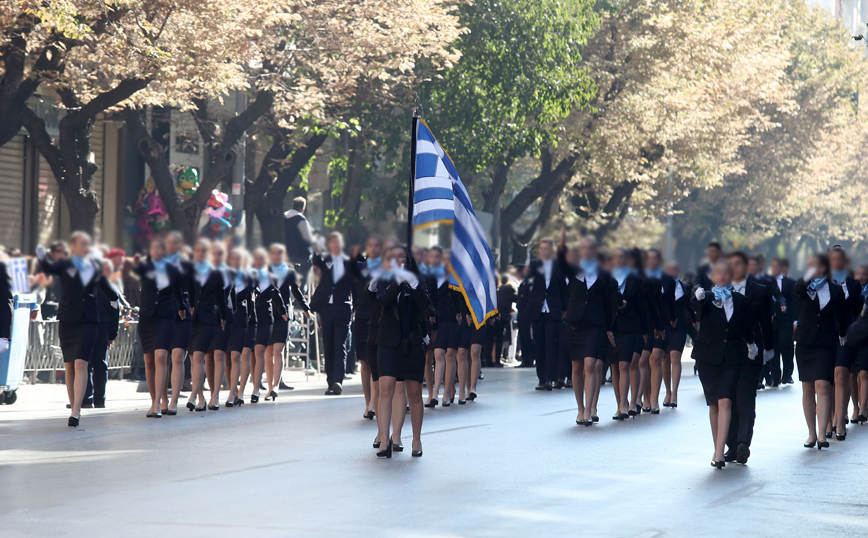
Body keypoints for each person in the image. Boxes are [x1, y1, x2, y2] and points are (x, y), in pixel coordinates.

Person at [37, 232, 118, 427]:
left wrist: (115, 300)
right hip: (67, 319)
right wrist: (41, 254)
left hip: (89, 320)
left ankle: (76, 411)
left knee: (82, 362)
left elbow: (107, 287)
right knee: (70, 365)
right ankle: (74, 404)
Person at [374, 246, 432, 459]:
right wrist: (398, 282)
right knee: (386, 388)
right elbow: (384, 301)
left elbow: (426, 306)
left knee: (414, 393)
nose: (398, 260)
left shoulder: (418, 278)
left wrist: (414, 284)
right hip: (388, 341)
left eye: (402, 256)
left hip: (412, 341)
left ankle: (416, 439)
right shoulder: (384, 278)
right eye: (394, 257)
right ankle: (384, 439)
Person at [690, 261, 748, 469]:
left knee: (725, 401)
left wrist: (753, 345)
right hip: (707, 359)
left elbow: (744, 327)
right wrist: (697, 297)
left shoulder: (740, 300)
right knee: (713, 404)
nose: (722, 276)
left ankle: (718, 453)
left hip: (730, 359)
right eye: (718, 273)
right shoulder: (705, 297)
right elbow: (695, 307)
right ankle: (717, 446)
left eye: (727, 273)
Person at [557, 229, 616, 426]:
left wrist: (609, 328)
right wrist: (562, 241)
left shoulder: (604, 274)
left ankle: (590, 408)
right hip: (575, 324)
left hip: (596, 325)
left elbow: (609, 304)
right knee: (577, 366)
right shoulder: (574, 270)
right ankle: (580, 409)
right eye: (584, 248)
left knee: (591, 364)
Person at [724, 251, 774, 465]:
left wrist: (769, 349)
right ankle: (731, 445)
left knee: (745, 399)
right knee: (728, 400)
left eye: (738, 264)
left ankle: (743, 442)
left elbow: (766, 323)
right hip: (725, 354)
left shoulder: (760, 291)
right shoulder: (720, 292)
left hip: (751, 351)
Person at [794, 253, 848, 450]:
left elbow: (842, 315)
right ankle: (810, 433)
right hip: (805, 344)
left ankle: (822, 434)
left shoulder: (835, 290)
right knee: (808, 388)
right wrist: (808, 275)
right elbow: (797, 289)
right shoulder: (804, 286)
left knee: (823, 386)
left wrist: (843, 334)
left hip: (826, 343)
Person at [133, 237, 185, 417]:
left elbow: (178, 291)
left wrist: (182, 308)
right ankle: (153, 399)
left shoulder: (173, 269)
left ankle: (158, 404)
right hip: (147, 317)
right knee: (149, 361)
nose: (156, 250)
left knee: (161, 356)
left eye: (159, 248)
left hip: (165, 316)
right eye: (153, 247)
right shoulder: (143, 267)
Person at [185, 238, 227, 412]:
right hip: (191, 320)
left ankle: (194, 395)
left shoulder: (215, 273)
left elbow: (221, 298)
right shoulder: (189, 271)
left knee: (199, 357)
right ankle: (201, 397)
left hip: (209, 319)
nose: (201, 254)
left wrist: (224, 317)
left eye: (204, 251)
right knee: (194, 358)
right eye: (198, 251)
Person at [311, 232, 355, 395]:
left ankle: (338, 380)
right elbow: (316, 262)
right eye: (333, 242)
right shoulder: (325, 259)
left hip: (343, 307)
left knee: (340, 344)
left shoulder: (348, 261)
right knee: (328, 344)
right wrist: (318, 250)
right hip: (326, 308)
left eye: (338, 242)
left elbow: (354, 283)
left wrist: (355, 303)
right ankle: (330, 380)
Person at [265, 243, 310, 401]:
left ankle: (276, 385)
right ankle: (270, 386)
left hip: (284, 316)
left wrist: (306, 308)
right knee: (268, 352)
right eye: (274, 253)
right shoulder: (265, 271)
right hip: (268, 314)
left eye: (280, 253)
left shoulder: (289, 272)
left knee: (278, 350)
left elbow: (296, 291)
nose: (277, 256)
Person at [608, 247, 647, 420]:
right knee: (615, 366)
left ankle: (626, 403)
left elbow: (642, 306)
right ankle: (619, 405)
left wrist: (645, 331)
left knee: (625, 364)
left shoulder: (636, 280)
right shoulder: (607, 279)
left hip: (631, 327)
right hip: (612, 327)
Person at [828, 246, 862, 440]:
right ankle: (831, 416)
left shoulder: (854, 284)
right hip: (826, 335)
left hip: (847, 336)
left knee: (842, 374)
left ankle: (840, 420)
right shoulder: (821, 282)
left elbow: (851, 309)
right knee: (828, 379)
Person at [526, 238, 567, 391]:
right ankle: (541, 379)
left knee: (551, 343)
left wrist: (564, 309)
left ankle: (550, 378)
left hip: (553, 310)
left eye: (546, 248)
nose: (543, 251)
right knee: (539, 344)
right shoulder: (535, 265)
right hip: (538, 311)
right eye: (541, 248)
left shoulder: (558, 267)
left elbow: (563, 289)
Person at [351, 236, 384, 418]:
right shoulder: (359, 267)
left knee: (375, 361)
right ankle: (367, 402)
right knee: (364, 363)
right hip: (361, 318)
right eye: (370, 245)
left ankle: (374, 403)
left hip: (379, 319)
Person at [249, 248, 287, 403]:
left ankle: (266, 388)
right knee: (256, 355)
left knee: (265, 351)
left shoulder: (276, 275)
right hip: (250, 319)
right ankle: (259, 385)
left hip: (269, 318)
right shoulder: (248, 276)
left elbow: (277, 294)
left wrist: (285, 312)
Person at [163, 231, 194, 414]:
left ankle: (174, 400)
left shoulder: (187, 266)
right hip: (163, 314)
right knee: (161, 357)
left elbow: (193, 291)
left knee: (177, 356)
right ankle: (162, 399)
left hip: (183, 315)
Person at [645, 248, 676, 414]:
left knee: (656, 358)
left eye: (655, 258)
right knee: (643, 361)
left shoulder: (667, 279)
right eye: (649, 258)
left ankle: (654, 399)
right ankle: (644, 396)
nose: (652, 261)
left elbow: (670, 302)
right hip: (644, 323)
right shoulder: (640, 278)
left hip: (662, 323)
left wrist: (672, 320)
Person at [207, 242, 234, 410]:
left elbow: (227, 295)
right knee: (208, 356)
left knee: (219, 355)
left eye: (220, 254)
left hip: (224, 316)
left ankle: (216, 394)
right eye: (214, 253)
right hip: (207, 316)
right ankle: (211, 392)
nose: (217, 257)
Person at [225, 248, 253, 407]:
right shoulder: (223, 275)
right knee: (227, 357)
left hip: (242, 318)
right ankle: (233, 389)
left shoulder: (247, 277)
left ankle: (233, 393)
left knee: (236, 355)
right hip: (225, 318)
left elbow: (250, 298)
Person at [663, 261, 691, 408]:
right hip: (664, 325)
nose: (672, 272)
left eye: (675, 269)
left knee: (675, 356)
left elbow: (689, 306)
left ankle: (675, 393)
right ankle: (667, 391)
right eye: (669, 269)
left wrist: (694, 321)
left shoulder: (685, 287)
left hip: (679, 326)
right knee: (665, 358)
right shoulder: (661, 285)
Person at [769, 258, 796, 385]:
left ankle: (787, 374)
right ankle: (775, 375)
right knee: (773, 347)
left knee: (786, 345)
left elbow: (795, 302)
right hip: (771, 320)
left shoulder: (790, 282)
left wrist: (795, 320)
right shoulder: (766, 281)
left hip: (786, 320)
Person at [283, 196, 315, 286]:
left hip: (287, 253)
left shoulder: (284, 218)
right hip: (301, 254)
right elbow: (307, 237)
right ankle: (299, 298)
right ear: (303, 208)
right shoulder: (301, 219)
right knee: (303, 279)